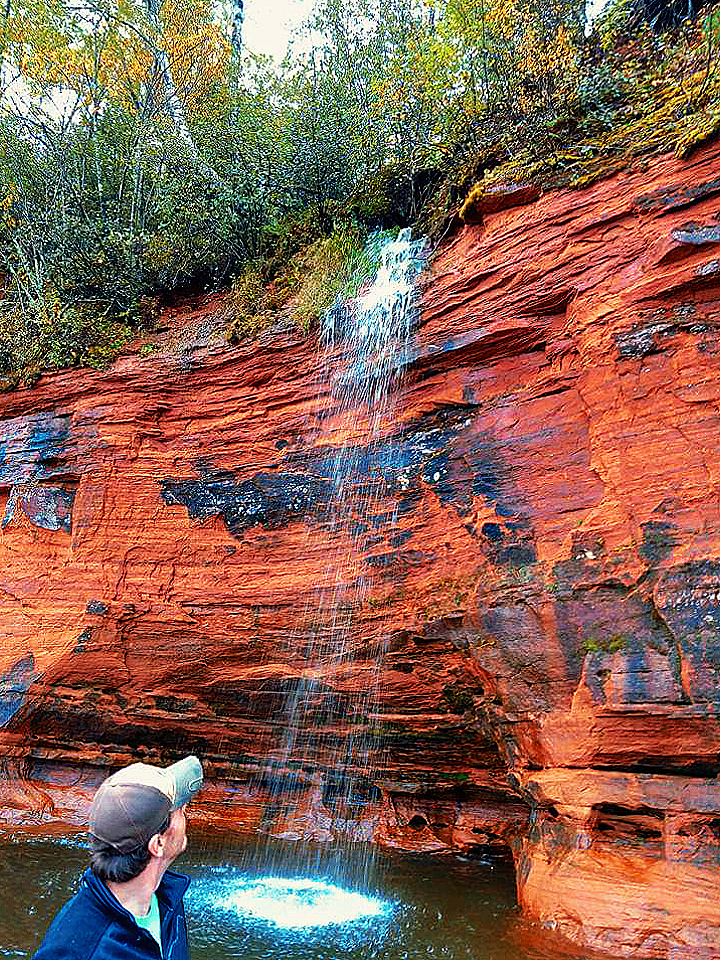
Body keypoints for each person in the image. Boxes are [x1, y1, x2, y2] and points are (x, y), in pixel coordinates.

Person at [31, 755, 203, 960]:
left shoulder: (167, 898)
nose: (185, 809)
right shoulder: (81, 951)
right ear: (158, 844)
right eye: (179, 809)